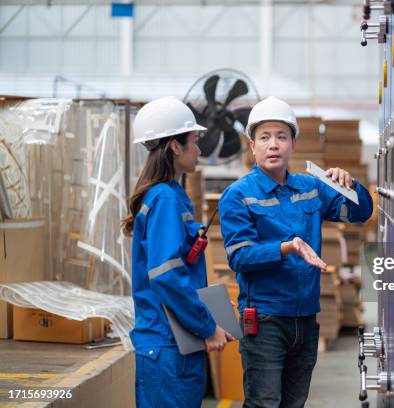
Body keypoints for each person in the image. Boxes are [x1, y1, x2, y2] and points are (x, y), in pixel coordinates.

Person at [219, 96, 373, 407]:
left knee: (293, 404)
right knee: (265, 403)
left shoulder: (310, 187)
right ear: (252, 145)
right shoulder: (238, 196)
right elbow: (240, 257)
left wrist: (350, 184)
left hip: (305, 320)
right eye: (264, 137)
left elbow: (360, 213)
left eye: (281, 136)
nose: (273, 144)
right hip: (265, 322)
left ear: (293, 143)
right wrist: (287, 248)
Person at [122, 96, 234, 408]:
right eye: (194, 141)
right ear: (174, 146)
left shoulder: (171, 194)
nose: (199, 149)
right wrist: (207, 326)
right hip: (169, 346)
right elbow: (167, 274)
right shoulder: (165, 199)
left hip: (171, 343)